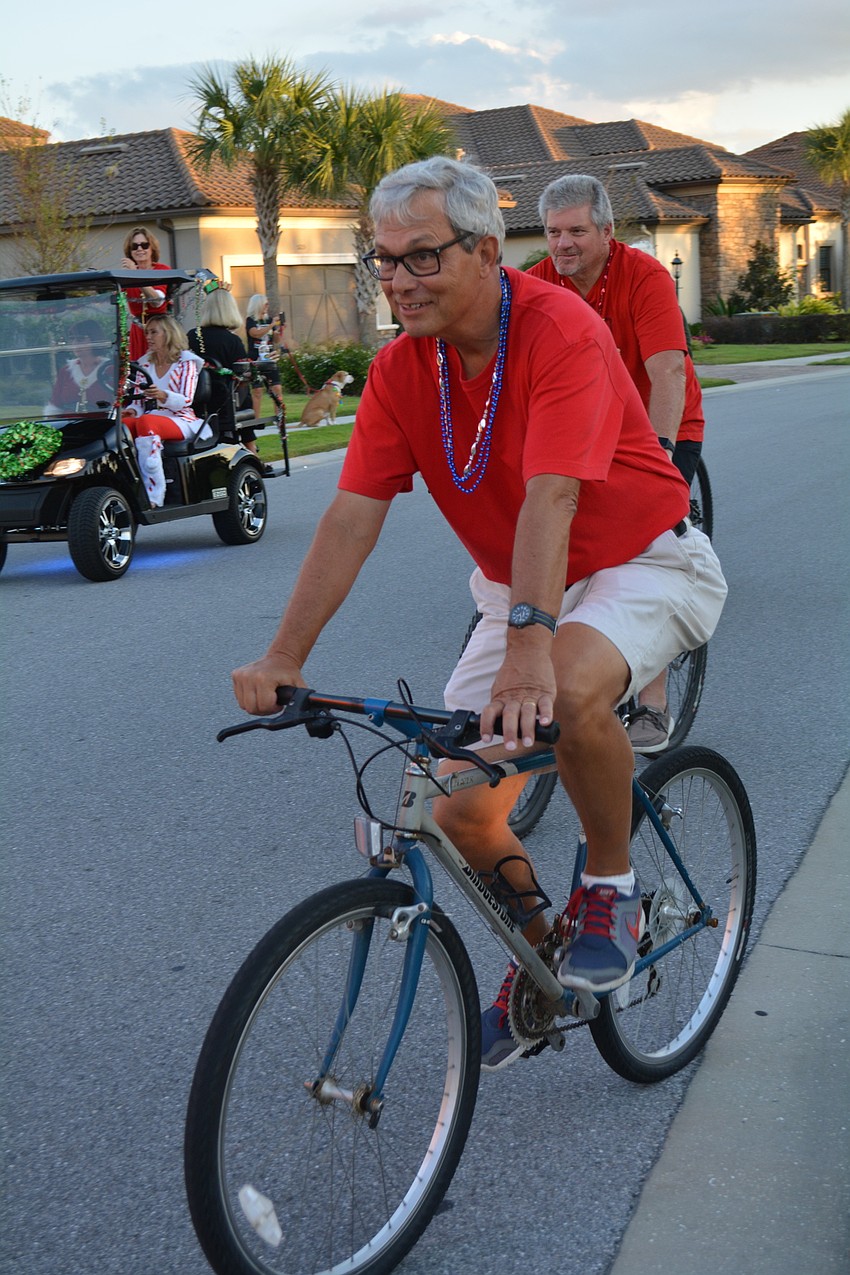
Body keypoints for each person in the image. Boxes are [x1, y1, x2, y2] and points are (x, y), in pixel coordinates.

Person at [231, 156, 727, 1072]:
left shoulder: (559, 331)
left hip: (644, 559)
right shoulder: (398, 370)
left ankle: (611, 885)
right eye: (382, 261)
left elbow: (552, 500)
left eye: (422, 258)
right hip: (523, 587)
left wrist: (531, 654)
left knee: (570, 688)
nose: (397, 281)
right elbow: (351, 517)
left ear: (487, 250)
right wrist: (284, 655)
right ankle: (547, 954)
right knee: (454, 801)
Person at [527, 174, 707, 750]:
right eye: (554, 232)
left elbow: (668, 372)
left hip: (658, 428)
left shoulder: (644, 277)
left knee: (636, 551)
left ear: (606, 230)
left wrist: (655, 459)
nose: (563, 244)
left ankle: (652, 704)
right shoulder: (537, 284)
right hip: (584, 433)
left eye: (576, 230)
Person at [186, 285, 274, 475]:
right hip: (224, 403)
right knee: (244, 395)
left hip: (195, 400)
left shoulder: (193, 336)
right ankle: (251, 449)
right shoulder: (232, 341)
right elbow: (243, 375)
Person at [123, 315, 206, 506]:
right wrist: (132, 411)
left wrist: (162, 395)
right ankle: (127, 486)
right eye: (147, 333)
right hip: (151, 416)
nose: (149, 337)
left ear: (168, 334)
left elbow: (186, 400)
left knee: (146, 423)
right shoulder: (144, 363)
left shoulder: (186, 362)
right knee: (123, 425)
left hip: (180, 419)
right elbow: (138, 399)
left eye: (154, 332)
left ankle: (155, 493)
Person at [121, 227, 171, 361]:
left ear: (152, 248)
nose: (139, 249)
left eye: (144, 245)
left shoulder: (162, 270)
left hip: (159, 328)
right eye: (134, 246)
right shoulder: (125, 275)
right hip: (138, 331)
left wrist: (135, 275)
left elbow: (156, 300)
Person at [46, 320, 109, 414]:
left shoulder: (109, 369)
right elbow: (55, 405)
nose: (75, 343)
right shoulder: (66, 371)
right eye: (72, 339)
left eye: (80, 339)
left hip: (101, 424)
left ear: (94, 339)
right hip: (67, 425)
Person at [244, 295, 286, 423]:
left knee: (277, 388)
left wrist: (279, 330)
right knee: (257, 390)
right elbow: (255, 333)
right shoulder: (250, 320)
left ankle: (280, 418)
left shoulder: (269, 320)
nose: (267, 306)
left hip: (269, 357)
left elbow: (276, 340)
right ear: (258, 305)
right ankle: (255, 420)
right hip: (255, 358)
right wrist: (271, 325)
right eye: (265, 304)